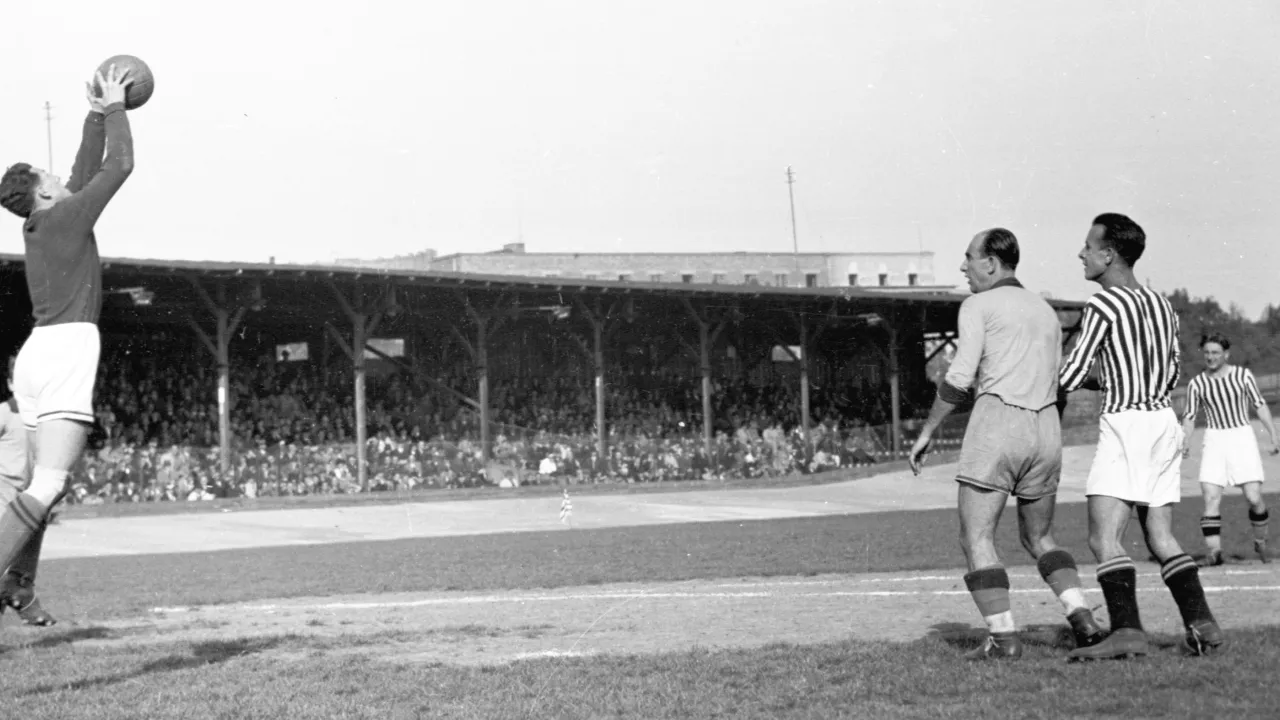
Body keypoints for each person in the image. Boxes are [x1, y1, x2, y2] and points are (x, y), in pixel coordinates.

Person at [909, 228, 1103, 661]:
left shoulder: (978, 304)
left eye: (968, 258)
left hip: (999, 422)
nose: (963, 267)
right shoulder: (1046, 311)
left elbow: (959, 377)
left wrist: (926, 432)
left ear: (991, 263)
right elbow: (1062, 382)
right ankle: (1083, 619)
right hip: (1047, 428)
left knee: (977, 536)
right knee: (1040, 537)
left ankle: (1004, 639)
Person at [1059, 213, 1225, 660]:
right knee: (1161, 536)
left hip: (1127, 423)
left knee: (1104, 538)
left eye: (1088, 246)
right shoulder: (1162, 304)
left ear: (1108, 254)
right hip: (1162, 420)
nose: (1082, 253)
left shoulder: (1102, 305)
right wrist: (1113, 377)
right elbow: (1170, 370)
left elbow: (1072, 373)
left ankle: (1128, 632)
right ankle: (1202, 623)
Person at [0, 64, 135, 579]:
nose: (58, 177)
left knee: (40, 484)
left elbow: (80, 173)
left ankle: (19, 583)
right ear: (44, 192)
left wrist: (96, 113)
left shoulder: (46, 218)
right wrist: (118, 109)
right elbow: (117, 167)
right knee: (49, 486)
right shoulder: (64, 215)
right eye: (49, 176)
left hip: (36, 355)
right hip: (65, 354)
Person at [1181, 332, 1278, 566]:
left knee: (1254, 498)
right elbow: (1190, 416)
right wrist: (1185, 441)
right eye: (1207, 353)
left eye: (1215, 353)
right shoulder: (1197, 383)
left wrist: (1274, 435)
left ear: (1226, 354)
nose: (1210, 357)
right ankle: (1214, 553)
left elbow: (1259, 404)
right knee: (1211, 496)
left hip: (1241, 437)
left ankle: (1260, 540)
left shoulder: (1242, 376)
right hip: (1214, 439)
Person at [0, 356, 56, 625]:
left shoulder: (45, 420)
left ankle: (22, 594)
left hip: (33, 501)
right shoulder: (3, 413)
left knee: (23, 564)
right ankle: (22, 599)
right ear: (10, 383)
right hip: (4, 501)